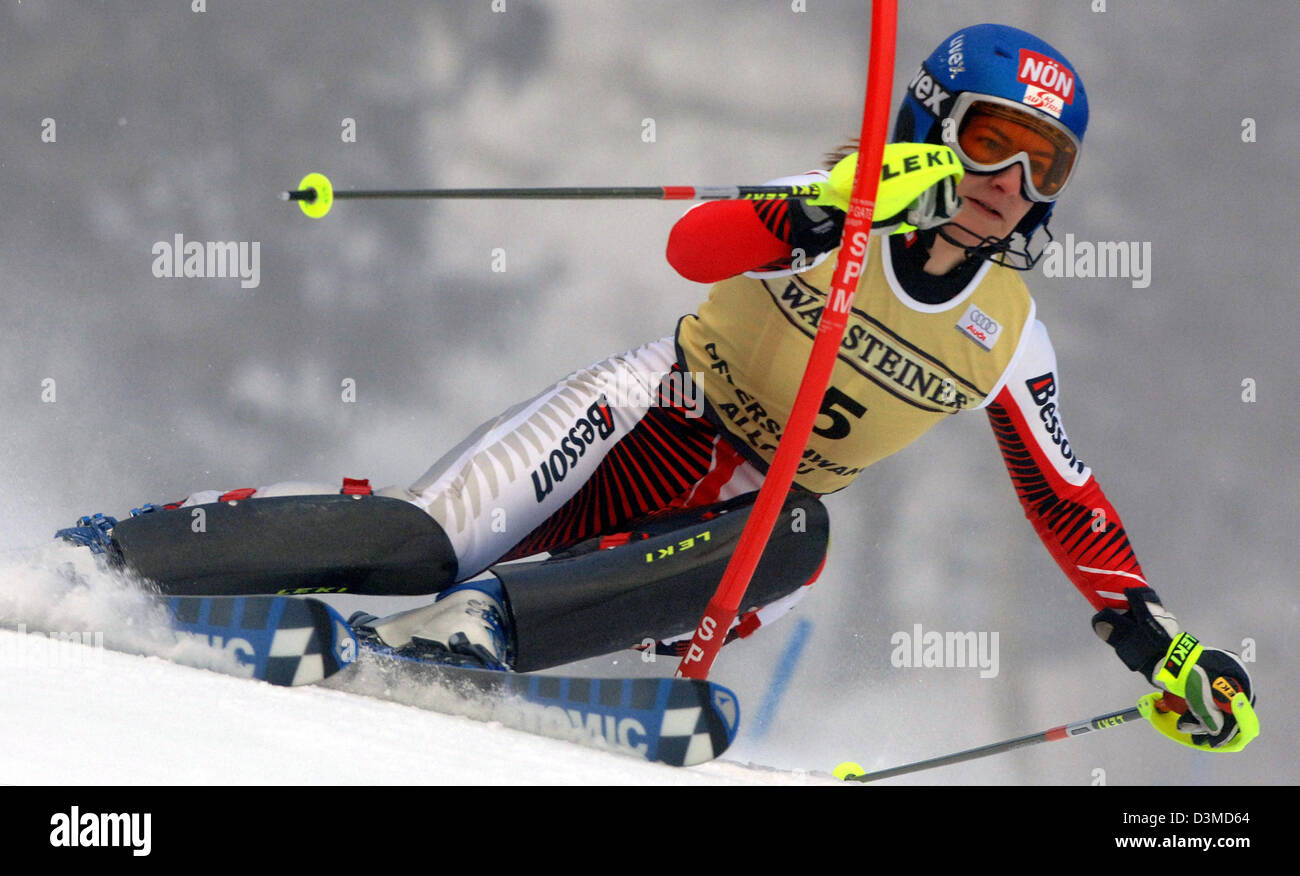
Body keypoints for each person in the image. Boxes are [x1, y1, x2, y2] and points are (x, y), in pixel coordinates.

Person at [60, 23, 1255, 751]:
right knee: (416, 541)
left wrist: (1152, 640)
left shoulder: (1011, 332)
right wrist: (817, 209)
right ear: (935, 125)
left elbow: (1065, 498)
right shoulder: (848, 195)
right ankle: (121, 555)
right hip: (650, 415)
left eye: (1042, 164)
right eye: (992, 139)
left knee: (801, 532)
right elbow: (695, 251)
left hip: (726, 533)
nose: (1010, 180)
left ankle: (477, 634)